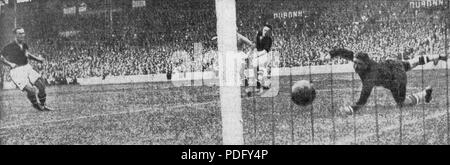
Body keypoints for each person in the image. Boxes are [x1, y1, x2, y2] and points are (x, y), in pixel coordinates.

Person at [329, 48, 446, 115]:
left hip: (396, 79)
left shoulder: (370, 75)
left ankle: (425, 93)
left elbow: (363, 99)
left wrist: (351, 109)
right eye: (355, 62)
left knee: (402, 103)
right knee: (412, 63)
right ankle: (434, 57)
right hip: (392, 64)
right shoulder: (364, 62)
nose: (356, 66)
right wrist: (331, 54)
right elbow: (348, 54)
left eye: (359, 64)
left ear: (366, 63)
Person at [0, 27, 53, 111]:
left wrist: (38, 59)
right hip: (16, 71)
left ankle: (43, 104)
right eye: (20, 33)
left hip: (27, 67)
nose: (22, 35)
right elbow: (1, 57)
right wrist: (10, 64)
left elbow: (27, 55)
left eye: (23, 33)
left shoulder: (24, 45)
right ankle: (36, 105)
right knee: (31, 91)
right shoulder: (9, 46)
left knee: (41, 84)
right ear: (15, 35)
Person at [253, 24, 273, 92]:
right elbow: (256, 46)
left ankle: (262, 84)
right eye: (264, 30)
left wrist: (257, 54)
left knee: (262, 69)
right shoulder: (258, 36)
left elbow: (265, 50)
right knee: (256, 69)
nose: (265, 31)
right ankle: (262, 83)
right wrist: (255, 52)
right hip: (258, 54)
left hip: (264, 55)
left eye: (267, 31)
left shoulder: (269, 39)